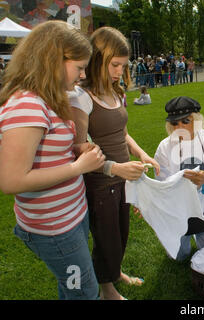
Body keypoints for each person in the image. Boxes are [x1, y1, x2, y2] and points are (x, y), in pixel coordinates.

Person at [0, 20, 105, 300]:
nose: (82, 76)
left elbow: (49, 153)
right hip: (54, 229)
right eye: (79, 67)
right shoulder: (26, 104)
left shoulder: (49, 98)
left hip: (70, 217)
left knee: (72, 287)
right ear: (52, 59)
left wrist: (77, 150)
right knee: (83, 292)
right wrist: (77, 167)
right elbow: (11, 180)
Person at [71, 26, 160, 300]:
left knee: (122, 232)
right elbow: (78, 148)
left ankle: (115, 272)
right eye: (115, 64)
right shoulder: (81, 97)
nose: (120, 71)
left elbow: (122, 133)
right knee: (106, 238)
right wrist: (117, 169)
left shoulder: (116, 92)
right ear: (97, 59)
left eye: (123, 65)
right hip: (101, 182)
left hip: (123, 178)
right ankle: (107, 288)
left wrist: (141, 153)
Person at [154, 96, 204, 261]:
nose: (180, 127)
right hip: (178, 215)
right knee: (179, 257)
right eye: (175, 123)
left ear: (196, 120)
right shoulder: (165, 146)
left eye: (185, 121)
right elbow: (161, 188)